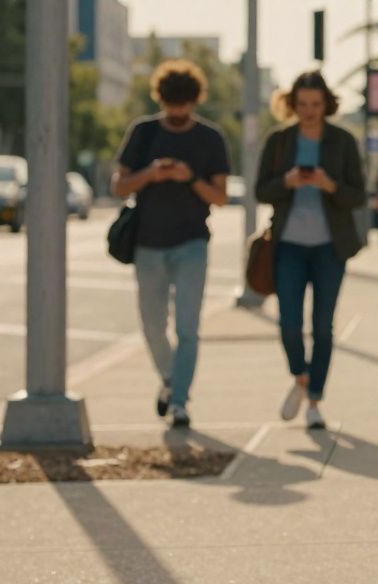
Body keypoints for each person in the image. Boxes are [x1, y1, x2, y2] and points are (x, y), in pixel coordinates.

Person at [112, 59, 230, 429]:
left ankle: (179, 402)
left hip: (192, 243)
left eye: (184, 104)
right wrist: (150, 173)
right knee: (151, 325)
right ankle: (169, 379)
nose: (178, 111)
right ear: (160, 99)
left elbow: (221, 197)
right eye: (171, 103)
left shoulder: (210, 138)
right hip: (148, 243)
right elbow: (119, 186)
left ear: (195, 100)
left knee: (188, 327)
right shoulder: (143, 132)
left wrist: (188, 176)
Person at [256, 71, 367, 430]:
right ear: (292, 104)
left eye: (315, 104)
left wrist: (328, 184)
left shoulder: (343, 141)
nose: (309, 111)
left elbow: (358, 196)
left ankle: (315, 400)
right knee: (289, 323)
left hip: (329, 248)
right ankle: (300, 377)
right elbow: (261, 191)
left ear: (326, 104)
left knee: (322, 326)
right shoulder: (279, 141)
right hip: (287, 245)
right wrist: (286, 182)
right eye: (302, 104)